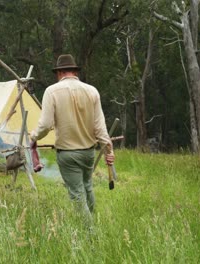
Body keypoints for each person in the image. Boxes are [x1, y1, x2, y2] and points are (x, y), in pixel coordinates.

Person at [30, 54, 115, 222]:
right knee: (87, 187)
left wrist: (33, 137)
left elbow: (46, 125)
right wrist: (109, 150)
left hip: (68, 154)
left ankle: (90, 235)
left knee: (77, 195)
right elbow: (100, 128)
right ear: (74, 71)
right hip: (88, 153)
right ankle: (93, 223)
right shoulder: (92, 91)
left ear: (59, 72)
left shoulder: (51, 91)